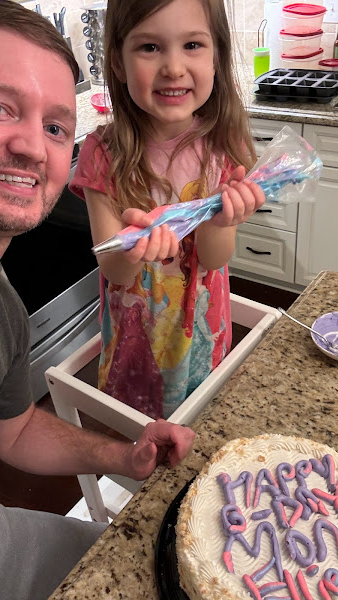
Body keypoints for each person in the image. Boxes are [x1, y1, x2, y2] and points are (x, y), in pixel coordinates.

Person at [0, 2, 195, 599]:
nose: (33, 148)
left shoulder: (1, 309)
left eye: (56, 127)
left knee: (137, 574)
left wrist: (124, 456)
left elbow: (9, 432)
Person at [70, 0, 266, 421]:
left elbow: (214, 260)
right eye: (150, 48)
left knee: (200, 429)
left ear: (217, 58)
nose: (174, 68)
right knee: (140, 443)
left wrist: (221, 219)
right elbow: (115, 272)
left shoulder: (220, 149)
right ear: (119, 64)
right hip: (136, 339)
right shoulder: (103, 153)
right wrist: (132, 248)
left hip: (200, 335)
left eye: (192, 44)